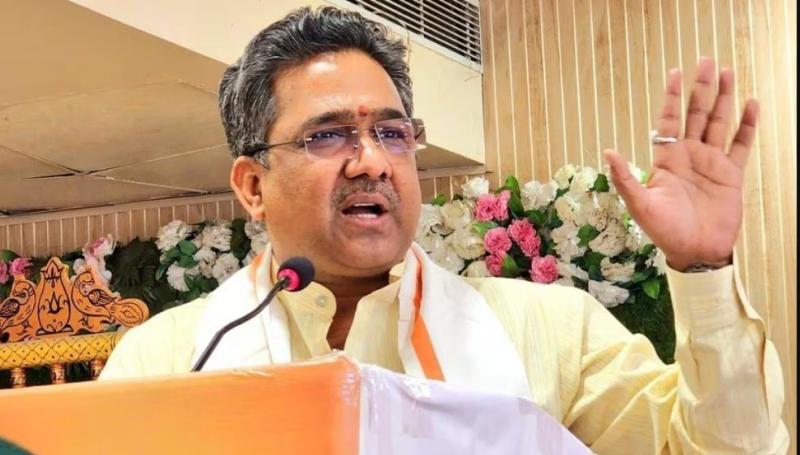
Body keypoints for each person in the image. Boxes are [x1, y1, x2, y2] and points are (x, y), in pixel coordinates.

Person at [100, 6, 788, 453]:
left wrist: (703, 269)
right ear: (253, 186)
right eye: (329, 135)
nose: (372, 162)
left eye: (392, 133)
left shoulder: (550, 332)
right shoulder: (166, 363)